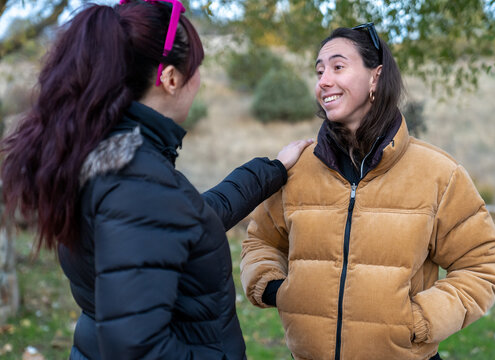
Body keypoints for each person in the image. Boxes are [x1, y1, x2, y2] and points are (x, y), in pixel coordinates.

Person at [0, 1, 312, 359]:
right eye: (196, 68)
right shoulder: (136, 184)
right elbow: (139, 349)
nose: (200, 81)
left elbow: (186, 221)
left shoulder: (108, 159)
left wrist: (272, 170)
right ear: (170, 78)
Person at [240, 23, 495, 360]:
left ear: (375, 77)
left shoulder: (439, 173)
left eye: (338, 67)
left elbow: (483, 265)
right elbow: (261, 240)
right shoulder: (298, 168)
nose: (323, 81)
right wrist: (275, 287)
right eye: (319, 70)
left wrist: (419, 321)